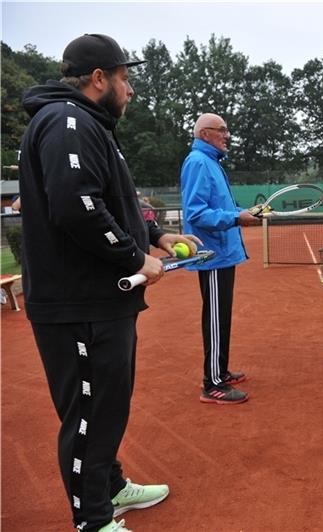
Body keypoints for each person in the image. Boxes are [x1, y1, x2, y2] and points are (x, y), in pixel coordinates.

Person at [18, 34, 200, 532]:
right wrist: (135, 256)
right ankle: (93, 520)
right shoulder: (66, 122)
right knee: (87, 415)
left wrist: (158, 235)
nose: (131, 89)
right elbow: (77, 208)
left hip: (101, 301)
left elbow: (111, 200)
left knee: (107, 407)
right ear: (99, 78)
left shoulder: (88, 125)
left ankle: (112, 486)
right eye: (125, 77)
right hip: (79, 304)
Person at [181, 113, 260, 404]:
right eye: (222, 130)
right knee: (215, 320)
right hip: (213, 255)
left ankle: (220, 372)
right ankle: (212, 383)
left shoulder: (211, 162)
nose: (227, 135)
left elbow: (221, 206)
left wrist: (243, 212)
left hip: (223, 254)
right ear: (205, 134)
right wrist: (236, 217)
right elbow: (197, 213)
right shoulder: (199, 162)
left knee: (221, 317)